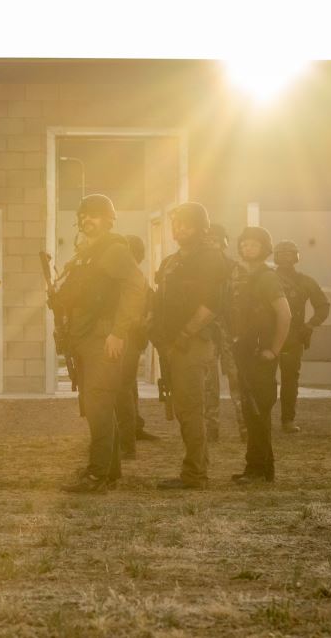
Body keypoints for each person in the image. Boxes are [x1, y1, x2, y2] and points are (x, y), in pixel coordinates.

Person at [51, 194, 146, 493]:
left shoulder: (114, 250)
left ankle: (97, 474)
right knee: (98, 405)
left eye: (93, 215)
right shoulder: (86, 255)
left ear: (108, 219)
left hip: (102, 337)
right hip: (84, 336)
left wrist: (118, 332)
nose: (86, 220)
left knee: (99, 405)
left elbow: (136, 288)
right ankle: (110, 470)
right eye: (83, 216)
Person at [151, 203, 229, 490]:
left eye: (186, 224)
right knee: (184, 409)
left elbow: (212, 304)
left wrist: (185, 333)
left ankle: (195, 474)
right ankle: (196, 468)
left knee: (192, 409)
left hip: (193, 343)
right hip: (171, 343)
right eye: (177, 224)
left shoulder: (210, 258)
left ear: (200, 227)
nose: (179, 229)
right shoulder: (171, 262)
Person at [229, 227, 292, 484]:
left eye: (254, 244)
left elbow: (285, 314)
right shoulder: (246, 277)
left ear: (265, 248)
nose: (247, 248)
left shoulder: (266, 277)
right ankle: (260, 468)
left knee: (258, 411)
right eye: (244, 244)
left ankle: (258, 469)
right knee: (251, 411)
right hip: (247, 353)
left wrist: (274, 349)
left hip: (260, 355)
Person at [273, 240, 331, 433]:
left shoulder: (305, 281)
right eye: (281, 255)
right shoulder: (267, 279)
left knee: (290, 381)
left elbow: (323, 306)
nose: (286, 259)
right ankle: (261, 419)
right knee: (264, 380)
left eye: (289, 254)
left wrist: (310, 324)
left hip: (294, 336)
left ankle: (287, 420)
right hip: (267, 336)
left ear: (296, 257)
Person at [113, 234, 156, 458]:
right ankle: (132, 431)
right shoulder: (137, 276)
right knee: (128, 387)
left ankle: (126, 444)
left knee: (121, 388)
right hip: (131, 337)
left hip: (126, 337)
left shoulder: (131, 277)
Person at [204, 224, 245, 442]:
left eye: (216, 240)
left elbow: (241, 302)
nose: (211, 244)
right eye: (208, 240)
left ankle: (245, 428)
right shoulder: (197, 268)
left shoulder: (233, 268)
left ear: (223, 243)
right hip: (206, 331)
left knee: (237, 381)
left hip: (231, 332)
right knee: (208, 383)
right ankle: (211, 429)